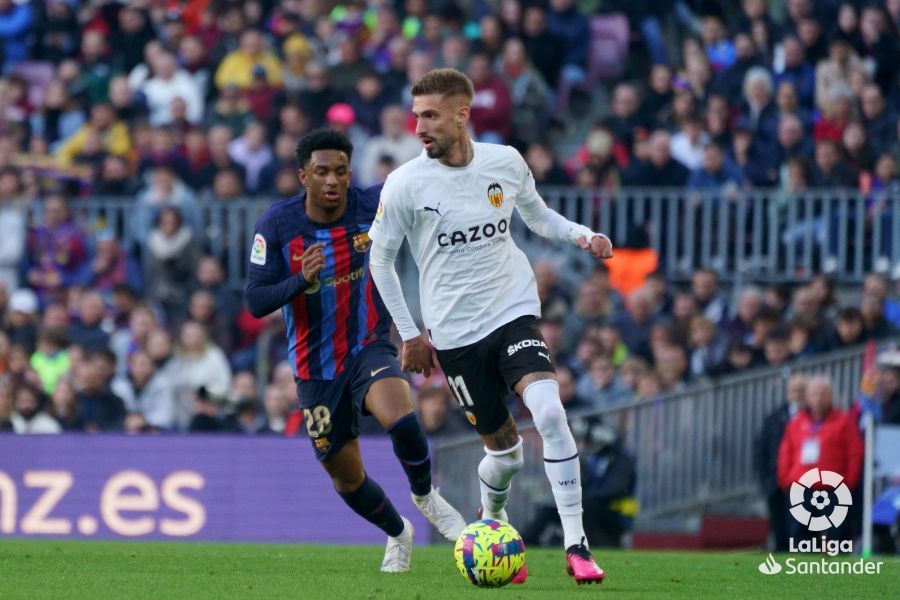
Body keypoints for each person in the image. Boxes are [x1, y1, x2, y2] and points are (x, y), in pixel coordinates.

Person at [368, 68, 612, 584]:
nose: (420, 127)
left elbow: (539, 217)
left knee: (549, 411)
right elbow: (381, 261)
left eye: (431, 116)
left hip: (513, 309)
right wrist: (410, 332)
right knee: (506, 455)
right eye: (416, 117)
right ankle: (493, 522)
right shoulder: (406, 184)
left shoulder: (505, 162)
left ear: (462, 114)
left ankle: (577, 545)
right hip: (455, 335)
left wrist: (583, 235)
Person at [243, 129, 464, 573]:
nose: (332, 180)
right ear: (303, 175)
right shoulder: (278, 225)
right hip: (315, 368)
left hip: (368, 346)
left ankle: (425, 496)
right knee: (347, 479)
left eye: (341, 171)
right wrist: (299, 282)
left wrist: (446, 134)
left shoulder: (372, 206)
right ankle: (398, 532)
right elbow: (255, 300)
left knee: (402, 417)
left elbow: (422, 174)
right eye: (322, 171)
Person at [777, 376, 863, 542]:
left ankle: (835, 568)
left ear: (831, 396)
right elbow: (785, 453)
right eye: (814, 394)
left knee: (836, 538)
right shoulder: (796, 422)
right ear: (807, 396)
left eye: (823, 393)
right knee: (801, 539)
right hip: (802, 489)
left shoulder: (843, 422)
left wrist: (848, 482)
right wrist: (786, 479)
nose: (818, 398)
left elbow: (854, 454)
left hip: (833, 489)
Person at [755, 373, 807, 552]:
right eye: (795, 390)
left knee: (802, 531)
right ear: (788, 392)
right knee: (780, 529)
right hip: (776, 482)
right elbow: (761, 449)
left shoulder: (814, 419)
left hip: (804, 483)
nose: (798, 394)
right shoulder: (775, 418)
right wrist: (765, 479)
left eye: (802, 390)